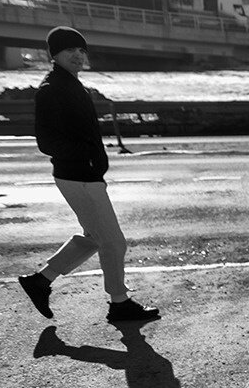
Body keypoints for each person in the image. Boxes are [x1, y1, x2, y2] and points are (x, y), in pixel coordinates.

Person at [18, 26, 159, 324]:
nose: (78, 55)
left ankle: (41, 280)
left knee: (95, 237)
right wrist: (87, 158)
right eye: (70, 50)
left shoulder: (70, 84)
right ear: (55, 54)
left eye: (82, 50)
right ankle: (119, 303)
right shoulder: (52, 89)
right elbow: (47, 142)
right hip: (79, 176)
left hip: (82, 175)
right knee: (114, 242)